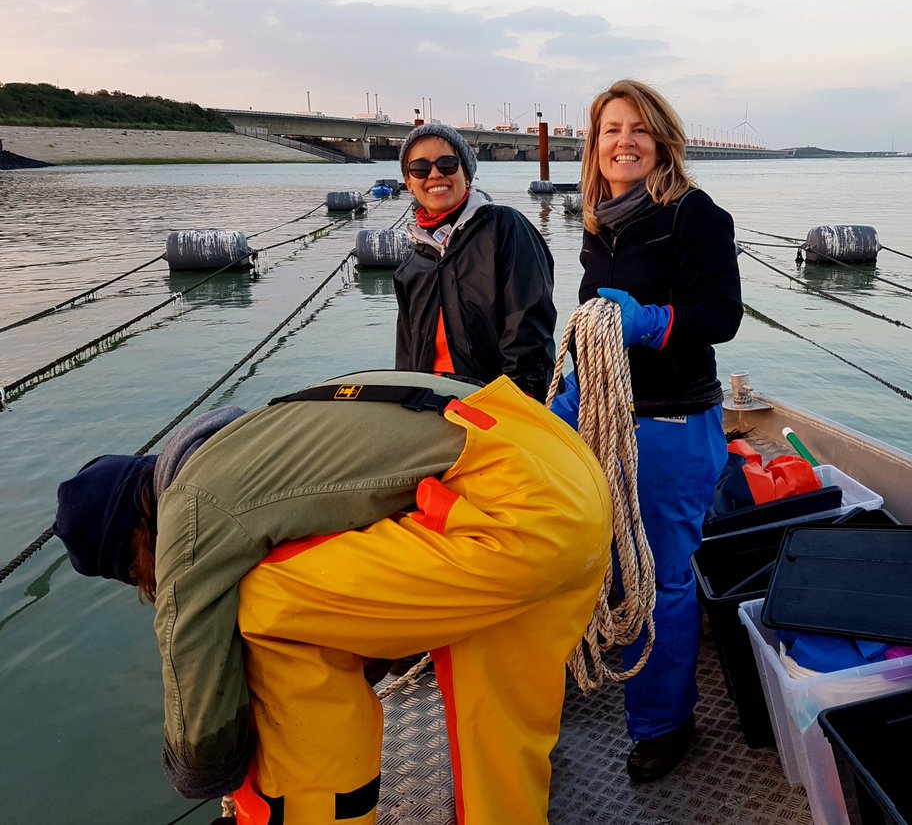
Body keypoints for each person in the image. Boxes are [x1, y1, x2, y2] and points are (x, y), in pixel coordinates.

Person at [52, 370, 613, 825]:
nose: (147, 585)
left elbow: (195, 683)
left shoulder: (189, 511)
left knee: (260, 604)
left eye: (133, 571)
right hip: (567, 486)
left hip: (510, 521)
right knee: (499, 730)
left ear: (136, 534)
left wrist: (203, 775)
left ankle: (316, 813)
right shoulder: (267, 434)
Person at [552, 79, 743, 782]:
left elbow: (720, 315)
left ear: (662, 139)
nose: (623, 140)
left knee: (658, 579)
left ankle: (665, 723)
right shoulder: (602, 224)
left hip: (671, 424)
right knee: (592, 563)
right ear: (594, 146)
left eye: (638, 127)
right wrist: (568, 391)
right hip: (602, 416)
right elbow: (589, 324)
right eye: (610, 129)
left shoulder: (693, 215)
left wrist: (651, 321)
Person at [394, 123, 557, 398]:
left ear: (466, 174)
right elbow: (407, 352)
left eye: (447, 164)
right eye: (420, 168)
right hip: (432, 408)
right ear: (409, 183)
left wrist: (518, 402)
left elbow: (528, 328)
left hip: (496, 407)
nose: (434, 174)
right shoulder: (413, 263)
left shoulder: (505, 227)